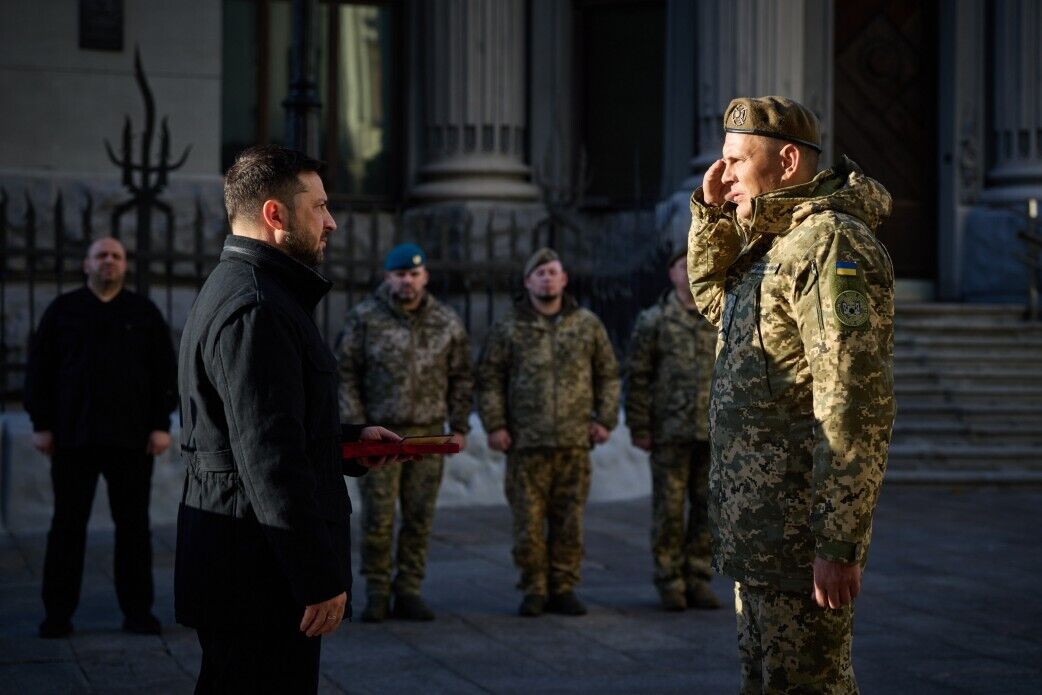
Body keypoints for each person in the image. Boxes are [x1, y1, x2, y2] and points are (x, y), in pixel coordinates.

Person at [687, 96, 895, 693]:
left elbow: (854, 401)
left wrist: (838, 540)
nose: (722, 176)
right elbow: (714, 304)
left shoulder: (827, 245)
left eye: (733, 161)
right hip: (760, 532)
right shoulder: (773, 243)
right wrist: (711, 213)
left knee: (808, 684)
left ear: (784, 161)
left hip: (798, 539)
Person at [176, 144, 402, 694]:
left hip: (247, 567)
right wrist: (316, 576)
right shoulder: (257, 306)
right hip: (260, 576)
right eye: (319, 206)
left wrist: (346, 441)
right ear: (275, 215)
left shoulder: (253, 290)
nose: (332, 222)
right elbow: (268, 456)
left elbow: (259, 426)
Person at [24, 237, 176, 639]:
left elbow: (164, 373)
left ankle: (138, 613)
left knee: (134, 529)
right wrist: (41, 423)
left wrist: (162, 425)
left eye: (116, 256)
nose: (109, 262)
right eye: (101, 256)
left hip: (131, 441)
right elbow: (39, 370)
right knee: (67, 528)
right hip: (74, 440)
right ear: (86, 265)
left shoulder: (143, 313)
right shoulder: (63, 311)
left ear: (124, 266)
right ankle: (57, 615)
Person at [476, 247, 620, 618]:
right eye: (539, 273)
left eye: (553, 271)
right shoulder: (509, 326)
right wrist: (496, 425)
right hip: (526, 443)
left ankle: (564, 586)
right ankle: (534, 588)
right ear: (528, 282)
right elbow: (490, 379)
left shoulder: (586, 324)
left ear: (564, 278)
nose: (547, 278)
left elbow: (606, 374)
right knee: (528, 523)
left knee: (569, 521)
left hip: (574, 441)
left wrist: (604, 419)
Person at [336, 242, 473, 623]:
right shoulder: (364, 318)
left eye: (414, 274)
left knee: (419, 516)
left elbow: (462, 377)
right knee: (378, 519)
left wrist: (459, 426)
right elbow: (346, 374)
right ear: (387, 277)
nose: (407, 281)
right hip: (381, 436)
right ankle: (377, 591)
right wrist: (358, 427)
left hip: (429, 436)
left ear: (425, 276)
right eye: (400, 275)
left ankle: (409, 589)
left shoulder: (446, 321)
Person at [625, 246, 721, 612]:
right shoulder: (655, 320)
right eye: (683, 265)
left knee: (706, 510)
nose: (689, 270)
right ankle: (669, 580)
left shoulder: (719, 316)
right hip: (669, 431)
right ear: (672, 274)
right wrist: (639, 425)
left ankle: (697, 578)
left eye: (695, 262)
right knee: (668, 511)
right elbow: (639, 376)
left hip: (712, 433)